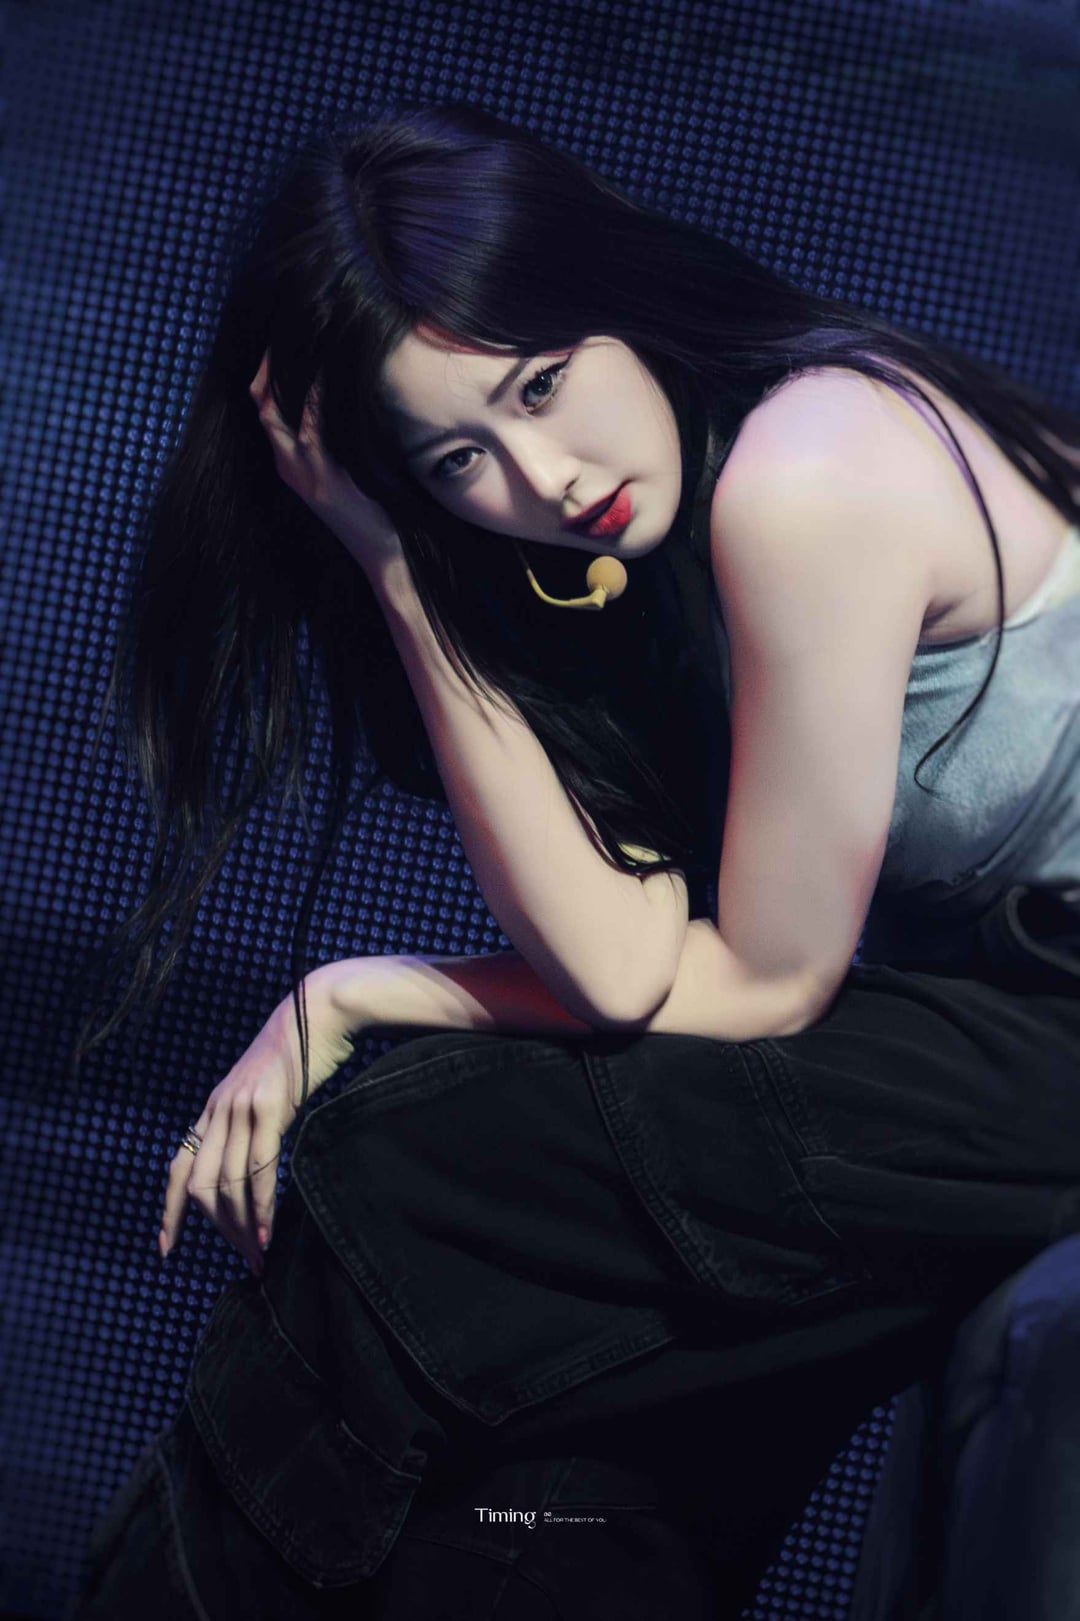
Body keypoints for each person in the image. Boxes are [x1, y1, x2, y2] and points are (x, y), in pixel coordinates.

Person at [69, 101, 1080, 1619]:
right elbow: (623, 962)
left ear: (610, 289)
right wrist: (397, 571)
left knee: (416, 1162)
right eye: (458, 456)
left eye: (541, 383)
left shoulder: (809, 469)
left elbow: (768, 981)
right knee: (558, 1396)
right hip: (995, 1028)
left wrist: (360, 991)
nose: (542, 476)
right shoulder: (647, 556)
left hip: (1044, 1030)